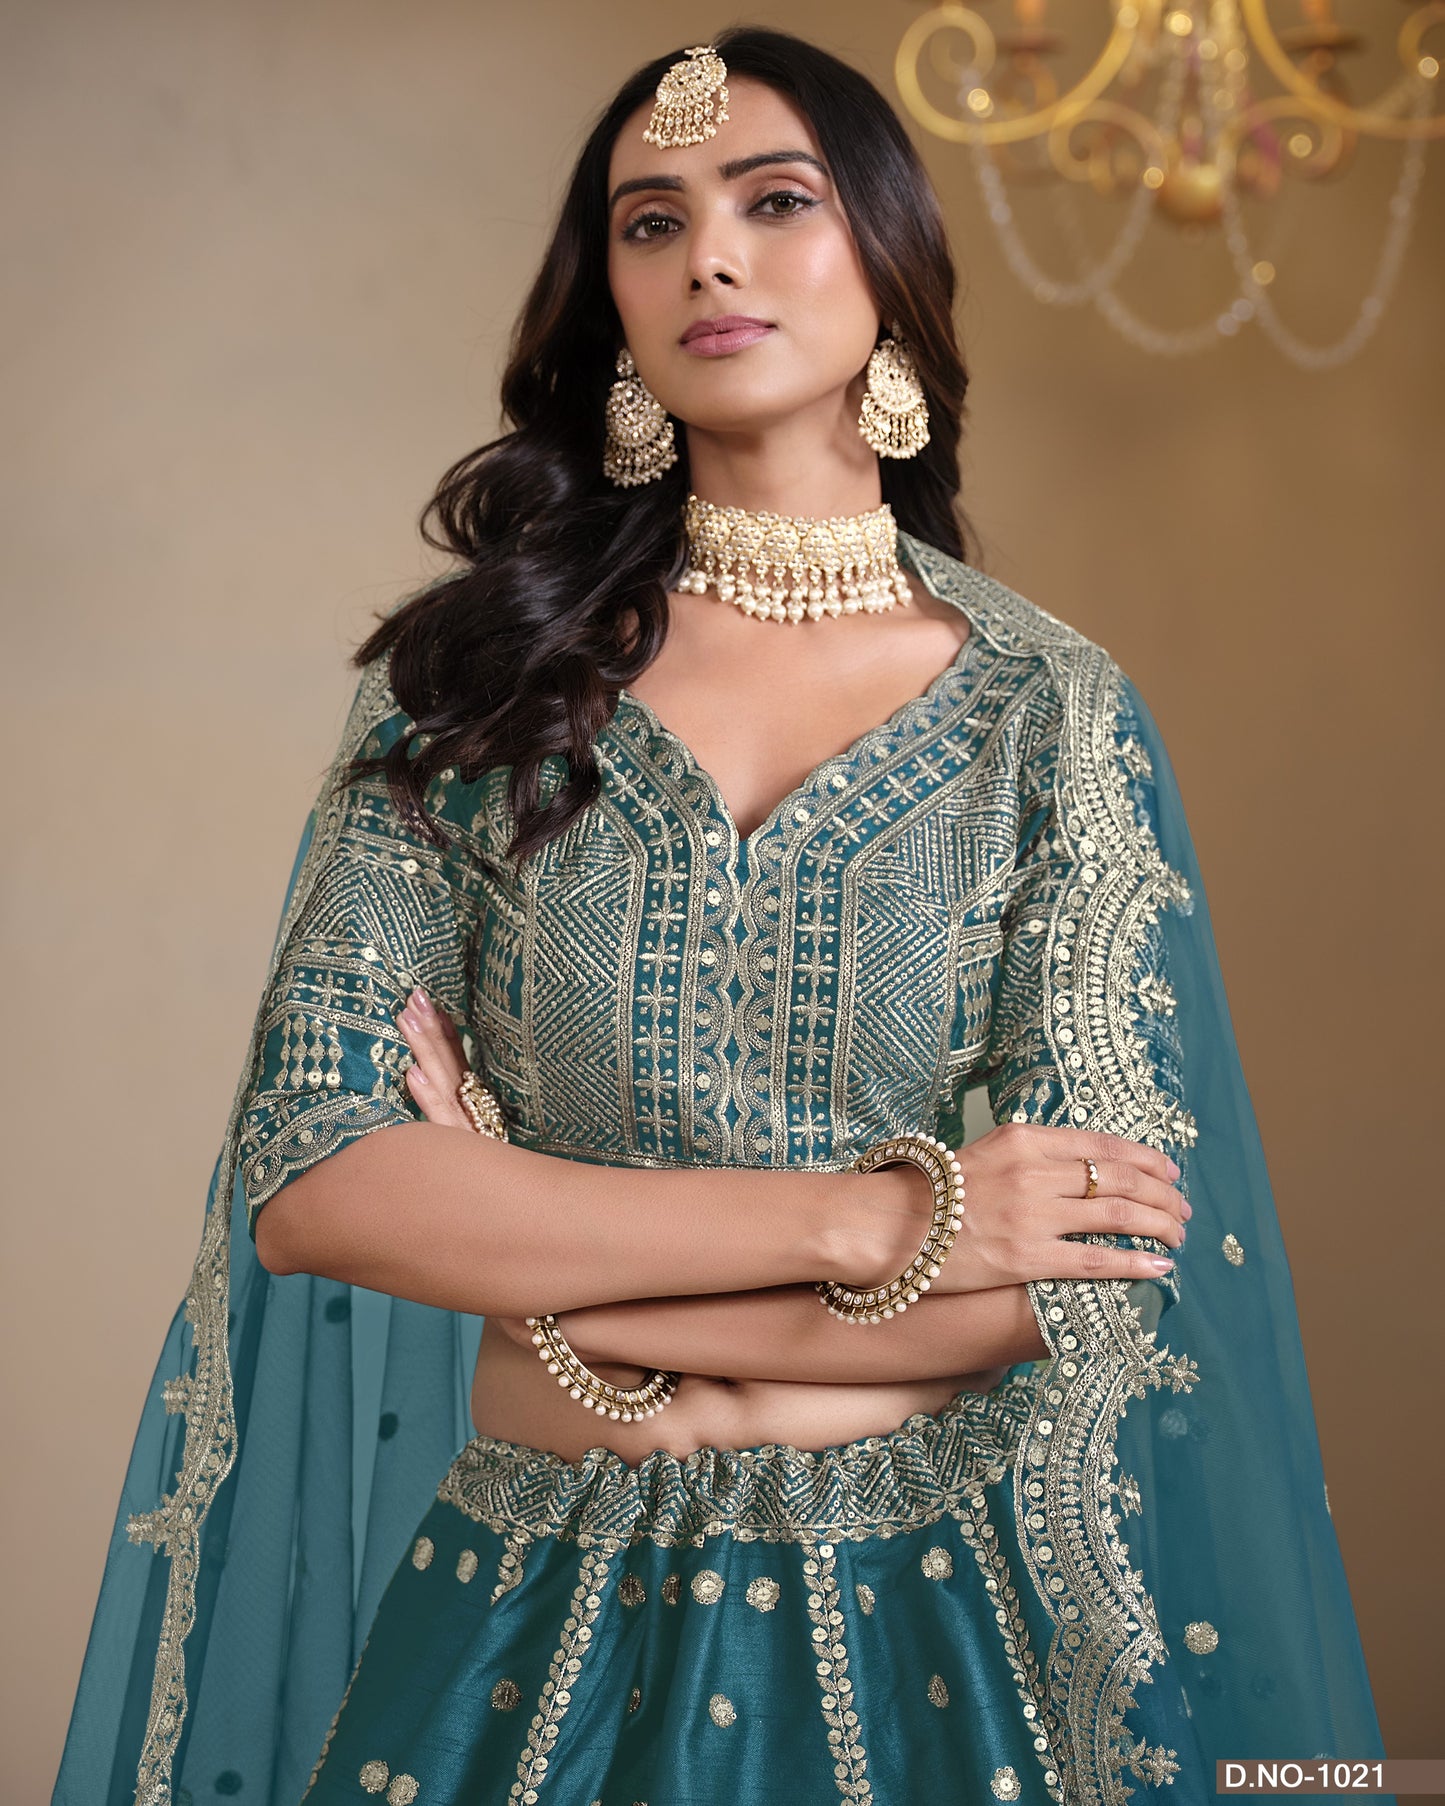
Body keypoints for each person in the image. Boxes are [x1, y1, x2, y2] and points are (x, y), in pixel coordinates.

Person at [55, 27, 1389, 1806]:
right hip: (516, 1621)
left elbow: (1068, 1279)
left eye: (776, 203)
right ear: (607, 300)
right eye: (649, 220)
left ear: (889, 266)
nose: (712, 258)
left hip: (932, 1640)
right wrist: (882, 1215)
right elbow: (314, 1184)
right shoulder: (472, 685)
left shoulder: (1045, 716)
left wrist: (554, 1287)